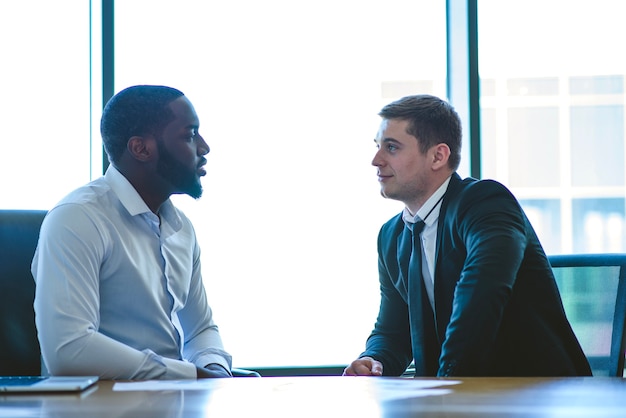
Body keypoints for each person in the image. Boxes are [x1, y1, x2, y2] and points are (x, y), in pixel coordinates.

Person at [343, 94, 592, 377]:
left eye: (391, 147)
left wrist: (446, 381)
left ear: (438, 156)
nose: (376, 160)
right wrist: (374, 360)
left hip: (537, 395)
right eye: (378, 146)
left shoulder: (486, 203)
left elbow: (481, 296)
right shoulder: (392, 236)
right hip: (457, 398)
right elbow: (393, 330)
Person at [32, 85, 232, 380]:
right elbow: (69, 350)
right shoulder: (78, 218)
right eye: (190, 135)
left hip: (173, 401)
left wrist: (215, 372)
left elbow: (200, 329)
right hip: (98, 409)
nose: (203, 148)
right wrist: (191, 375)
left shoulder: (181, 228)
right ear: (141, 148)